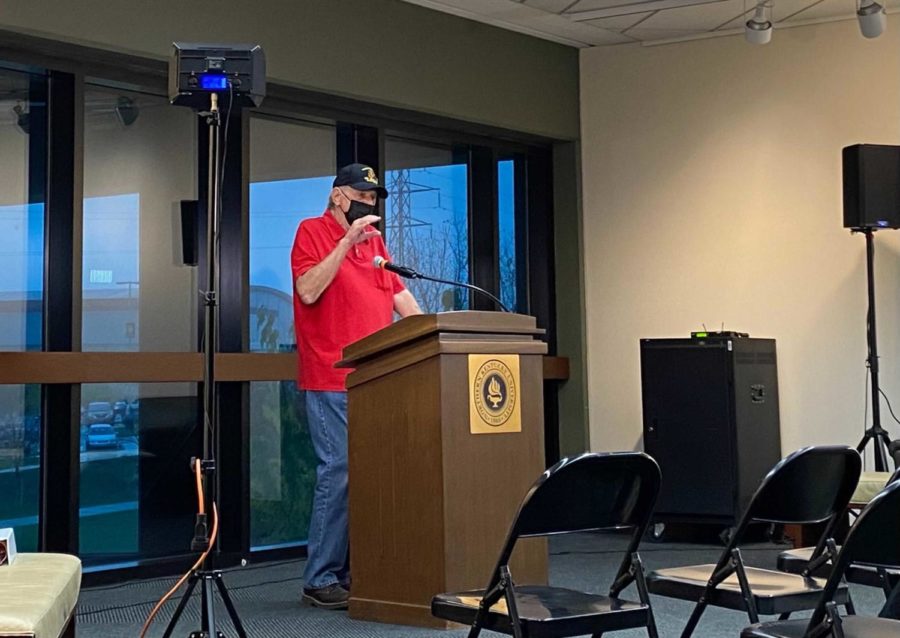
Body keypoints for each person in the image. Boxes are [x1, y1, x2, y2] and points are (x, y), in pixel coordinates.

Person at [291, 163, 422, 609]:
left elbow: (400, 299)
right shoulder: (311, 231)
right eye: (361, 195)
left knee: (369, 476)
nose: (369, 204)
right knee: (340, 472)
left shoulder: (376, 244)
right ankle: (319, 577)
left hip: (374, 381)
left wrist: (435, 334)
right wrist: (346, 242)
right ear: (338, 197)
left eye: (373, 197)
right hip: (331, 377)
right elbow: (308, 290)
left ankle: (354, 571)